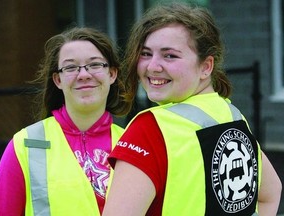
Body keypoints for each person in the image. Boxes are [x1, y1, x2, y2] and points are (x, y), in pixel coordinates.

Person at [102, 2, 282, 216]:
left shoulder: (150, 129)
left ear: (206, 67)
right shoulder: (232, 117)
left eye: (170, 55)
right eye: (146, 53)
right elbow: (271, 192)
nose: (152, 66)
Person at [0, 27, 132, 216]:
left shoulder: (133, 143)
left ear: (112, 74)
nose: (84, 74)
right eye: (70, 67)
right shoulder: (25, 145)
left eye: (95, 65)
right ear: (58, 79)